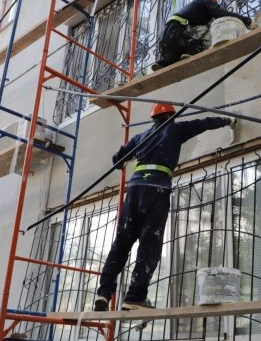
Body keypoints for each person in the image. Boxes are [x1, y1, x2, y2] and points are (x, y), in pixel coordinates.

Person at [94, 103, 235, 311]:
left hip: (134, 191)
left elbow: (117, 159)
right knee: (149, 243)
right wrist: (228, 120)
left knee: (122, 242)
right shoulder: (176, 129)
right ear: (171, 116)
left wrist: (125, 159)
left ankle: (103, 294)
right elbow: (204, 123)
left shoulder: (140, 137)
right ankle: (134, 296)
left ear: (153, 118)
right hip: (156, 190)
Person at [152, 0, 253, 70]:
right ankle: (192, 53)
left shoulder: (194, 8)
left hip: (165, 45)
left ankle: (164, 63)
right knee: (207, 35)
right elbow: (222, 14)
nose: (216, 2)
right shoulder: (204, 1)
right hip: (178, 35)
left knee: (178, 53)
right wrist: (247, 21)